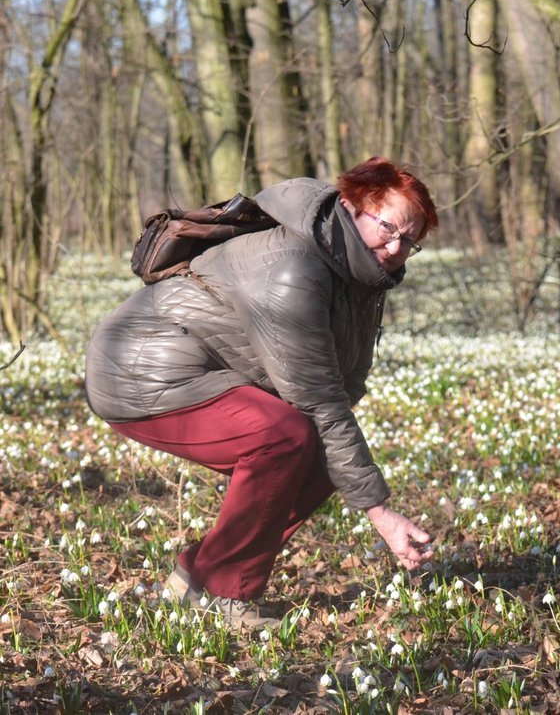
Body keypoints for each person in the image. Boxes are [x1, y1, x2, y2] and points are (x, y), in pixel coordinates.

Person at [85, 157, 437, 628]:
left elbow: (344, 381)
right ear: (352, 207)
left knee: (317, 454)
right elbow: (318, 398)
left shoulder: (358, 276)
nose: (395, 247)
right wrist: (378, 510)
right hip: (139, 371)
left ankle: (201, 573)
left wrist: (340, 463)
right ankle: (221, 593)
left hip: (205, 370)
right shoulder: (292, 270)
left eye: (409, 241)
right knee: (284, 436)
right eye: (389, 227)